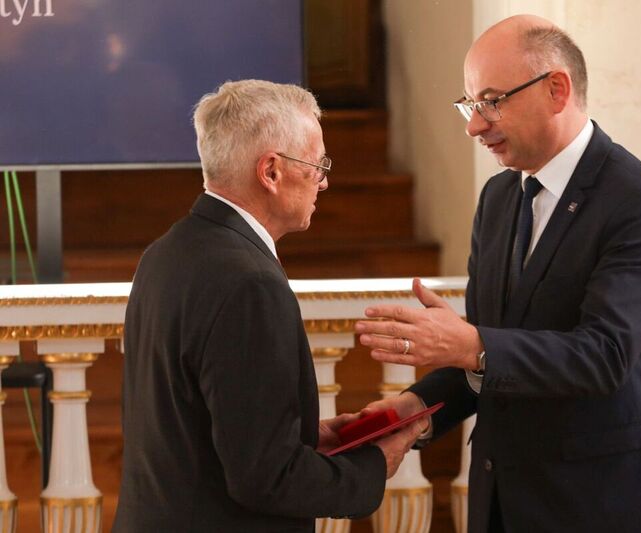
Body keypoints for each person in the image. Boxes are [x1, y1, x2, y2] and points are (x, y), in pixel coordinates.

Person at [355, 15, 641, 533]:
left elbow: (604, 356)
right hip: (506, 501)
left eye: (492, 101)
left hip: (612, 504)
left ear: (557, 89)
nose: (474, 125)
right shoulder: (498, 198)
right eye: (471, 104)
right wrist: (406, 416)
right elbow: (493, 354)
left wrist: (471, 344)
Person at [113, 80, 424, 532]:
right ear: (271, 172)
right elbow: (265, 478)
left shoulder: (166, 250)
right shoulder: (250, 283)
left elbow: (192, 422)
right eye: (318, 164)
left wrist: (300, 436)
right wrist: (374, 465)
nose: (325, 179)